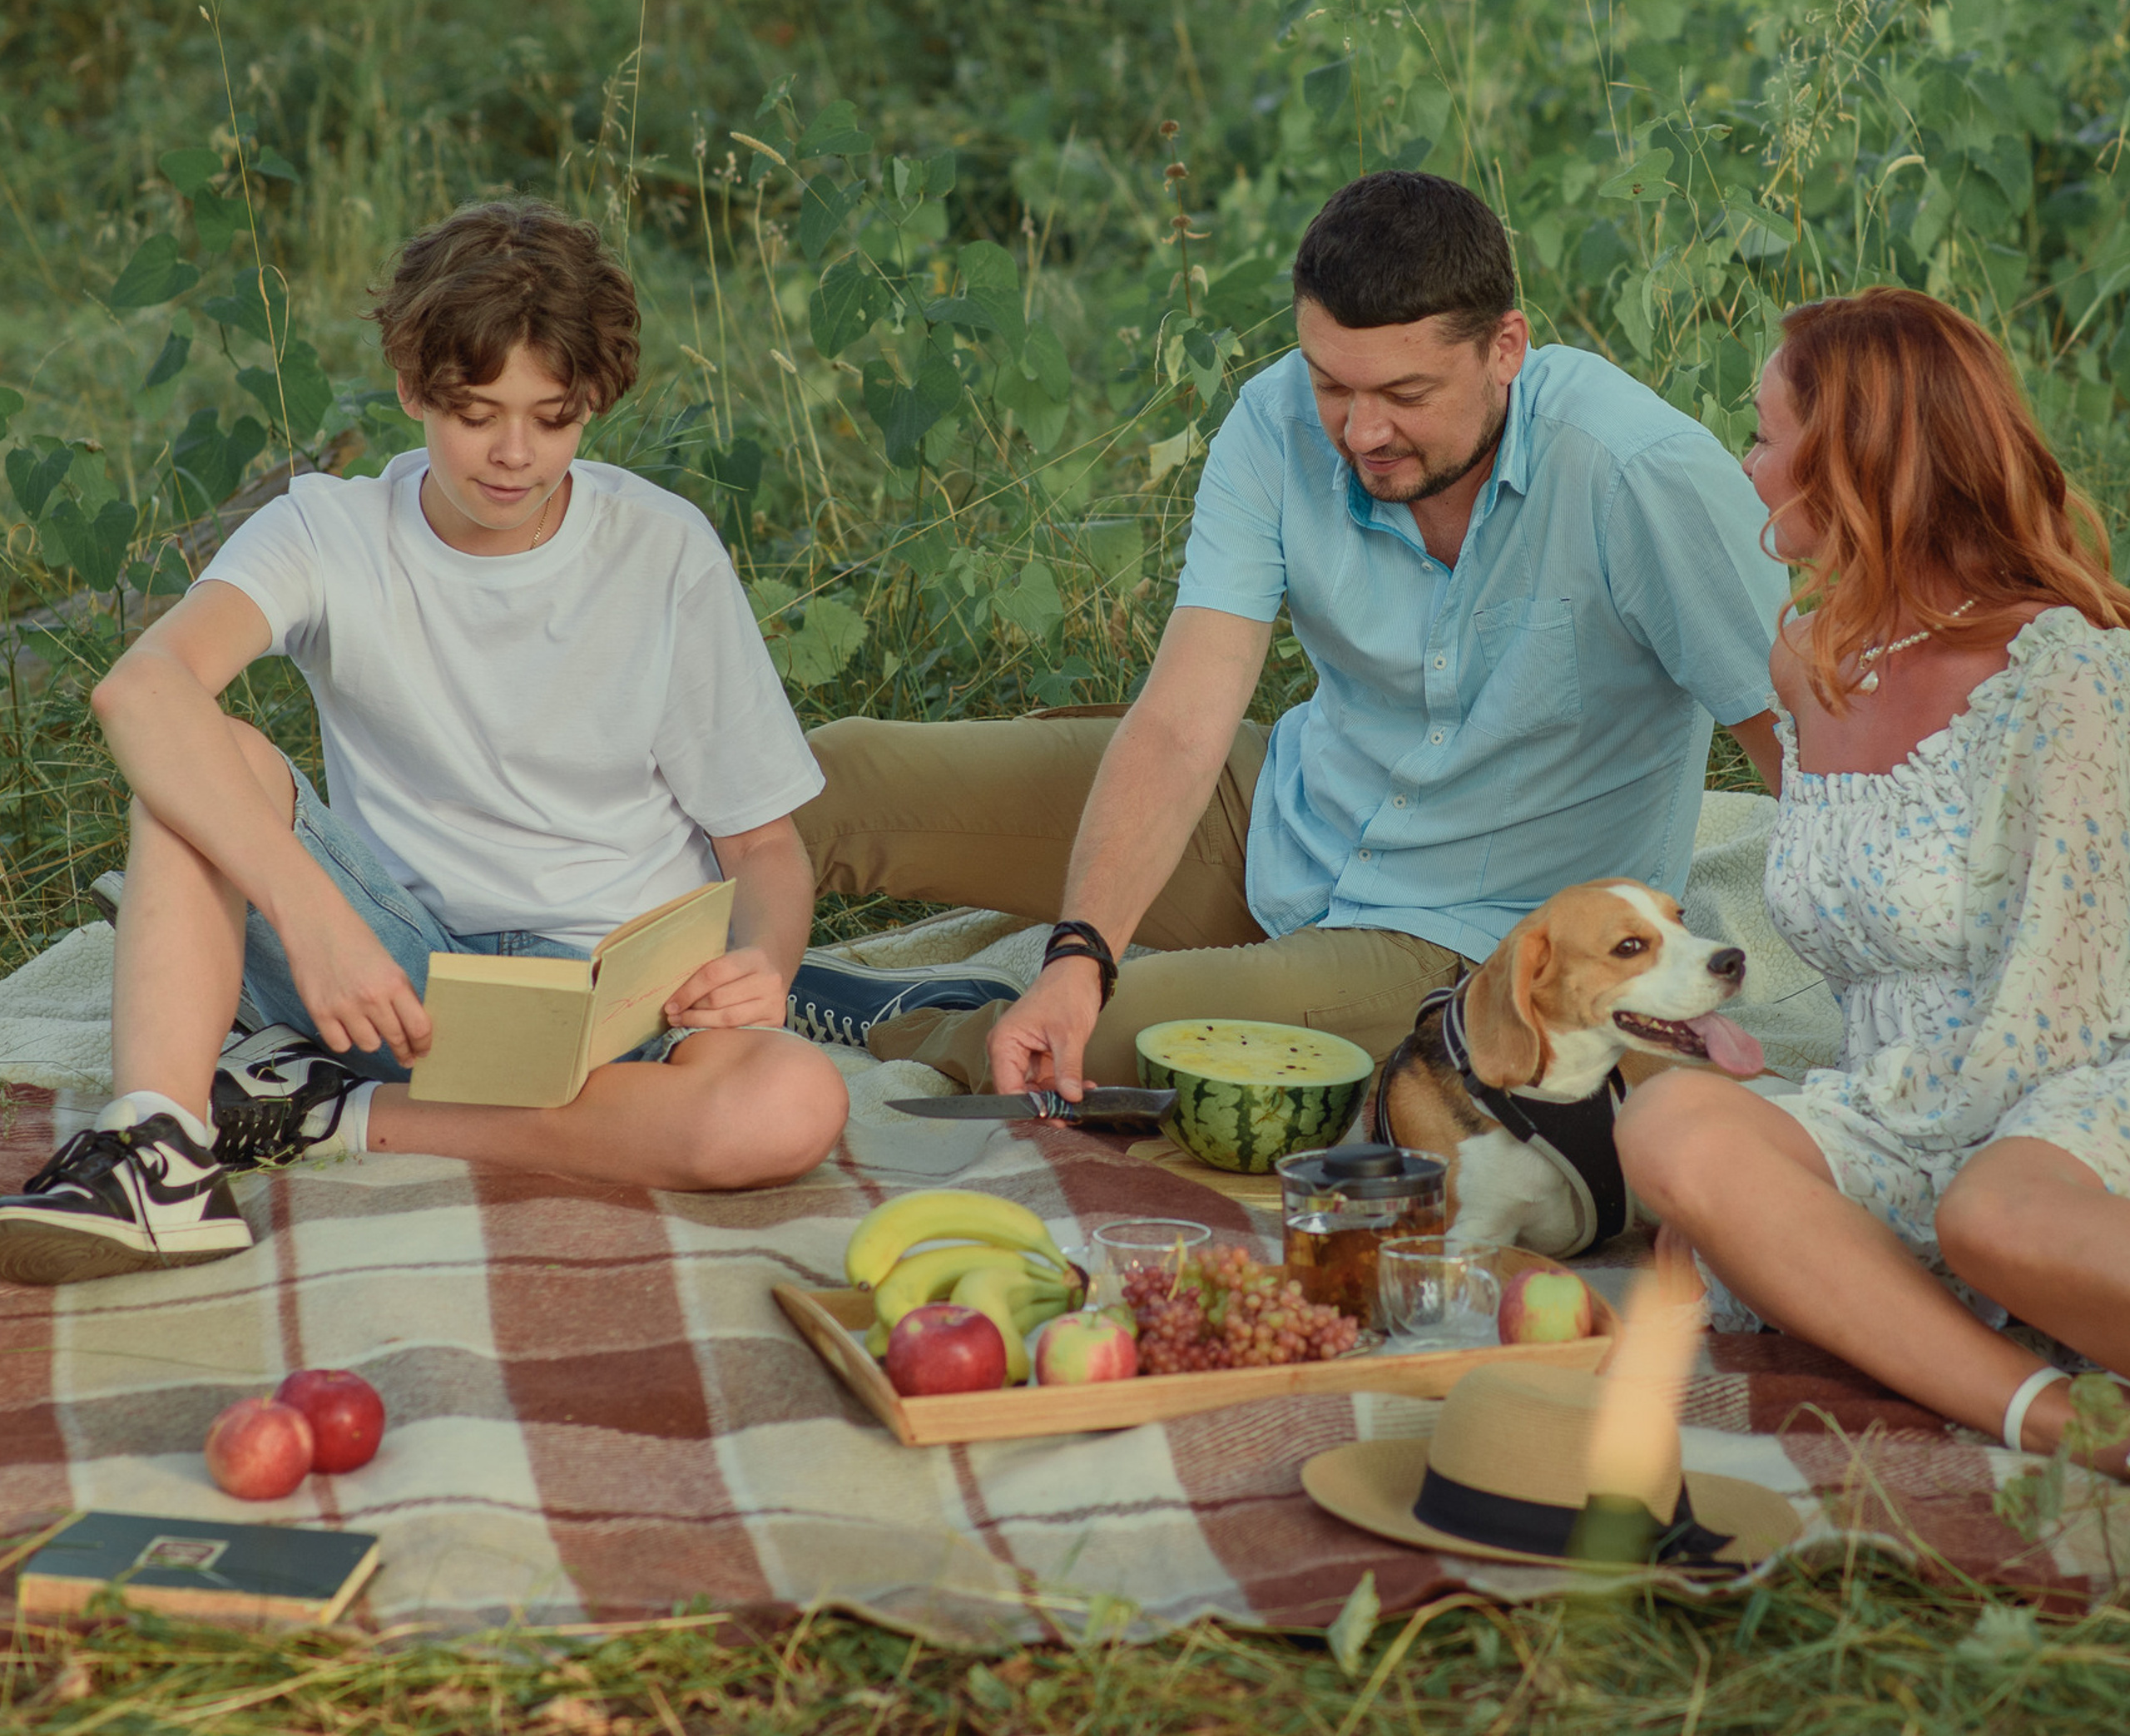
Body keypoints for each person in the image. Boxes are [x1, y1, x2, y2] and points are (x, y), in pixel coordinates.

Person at [787, 171, 1790, 1096]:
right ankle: (643, 967)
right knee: (830, 776)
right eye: (1331, 384)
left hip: (1470, 943)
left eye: (1403, 395)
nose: (1358, 432)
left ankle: (914, 1025)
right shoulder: (1272, 421)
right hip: (1292, 818)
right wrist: (1079, 946)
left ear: (1505, 350)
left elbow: (1798, 754)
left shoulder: (1638, 472)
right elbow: (1182, 720)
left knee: (1110, 1031)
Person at [0, 198, 851, 1287]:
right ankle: (158, 1147)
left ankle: (332, 1118)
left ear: (592, 405)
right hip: (387, 976)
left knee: (792, 1106)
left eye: (552, 419)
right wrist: (313, 917)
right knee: (219, 761)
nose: (512, 455)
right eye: (475, 412)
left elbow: (766, 851)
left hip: (609, 997)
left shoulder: (664, 551)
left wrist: (762, 971)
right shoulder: (328, 528)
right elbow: (141, 690)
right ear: (412, 390)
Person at [1617, 286, 2130, 1466]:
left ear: (1849, 454)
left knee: (1991, 1216)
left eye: (1761, 432)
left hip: (2074, 1097)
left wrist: (1913, 1205)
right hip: (1895, 1105)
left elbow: (2069, 1000)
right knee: (1673, 1132)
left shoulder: (2067, 672)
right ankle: (2056, 1417)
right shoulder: (1813, 661)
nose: (1744, 464)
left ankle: (1938, 1296)